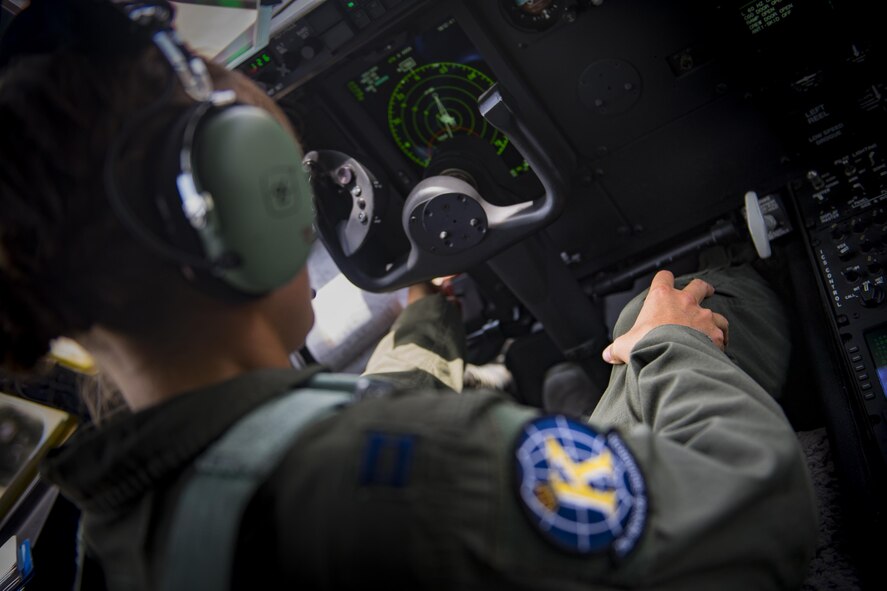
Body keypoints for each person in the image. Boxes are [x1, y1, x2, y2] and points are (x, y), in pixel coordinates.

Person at [0, 1, 817, 589]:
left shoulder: (116, 535)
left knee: (583, 381)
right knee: (714, 306)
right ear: (242, 187)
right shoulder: (399, 470)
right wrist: (664, 345)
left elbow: (339, 419)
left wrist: (426, 311)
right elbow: (756, 506)